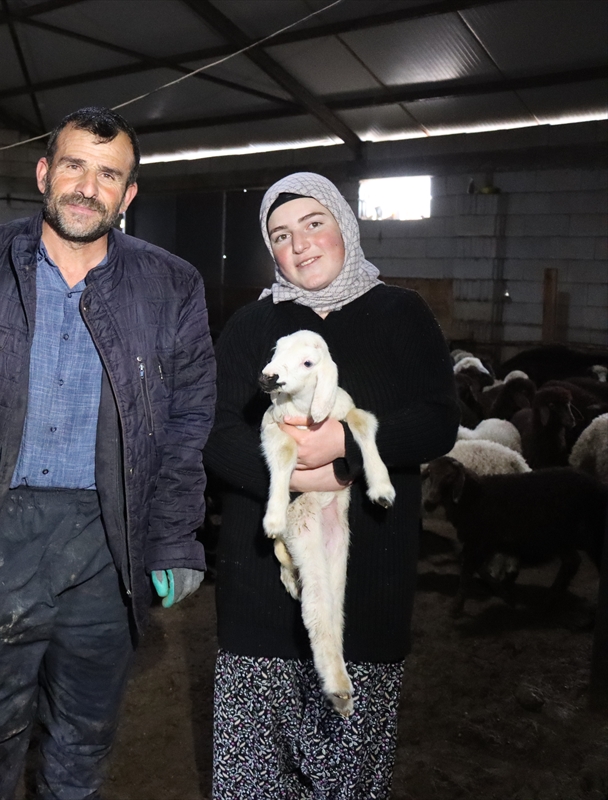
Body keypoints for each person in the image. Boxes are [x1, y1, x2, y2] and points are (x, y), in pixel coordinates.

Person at [0, 107, 217, 799]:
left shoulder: (172, 286)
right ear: (44, 172)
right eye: (74, 165)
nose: (87, 187)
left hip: (109, 543)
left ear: (128, 194)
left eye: (109, 175)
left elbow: (187, 422)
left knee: (83, 737)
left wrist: (175, 539)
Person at [204, 172, 459, 798]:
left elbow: (437, 419)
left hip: (366, 585)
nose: (300, 244)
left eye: (314, 223)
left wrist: (344, 447)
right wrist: (294, 470)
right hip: (260, 589)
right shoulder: (250, 325)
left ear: (344, 225)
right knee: (252, 776)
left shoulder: (401, 313)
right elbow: (213, 430)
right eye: (280, 234)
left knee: (346, 775)